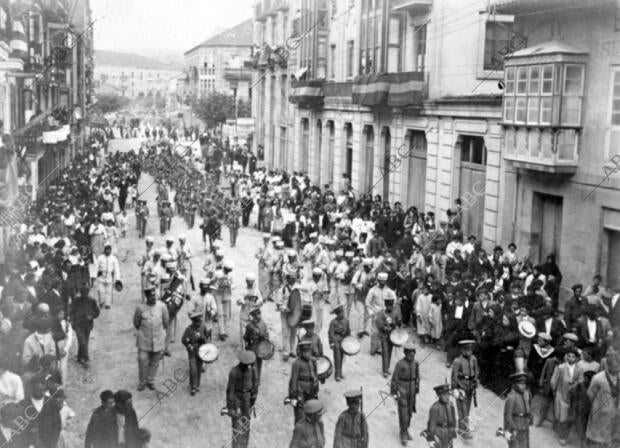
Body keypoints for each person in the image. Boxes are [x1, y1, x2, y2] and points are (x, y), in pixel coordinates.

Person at [133, 286, 169, 391]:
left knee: (155, 361)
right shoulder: (140, 308)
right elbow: (136, 323)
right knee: (142, 360)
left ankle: (150, 380)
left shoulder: (162, 306)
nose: (154, 298)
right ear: (147, 297)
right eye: (151, 296)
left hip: (158, 339)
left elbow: (166, 322)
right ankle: (142, 381)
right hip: (144, 340)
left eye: (155, 296)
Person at [225, 350, 259, 448]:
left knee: (246, 425)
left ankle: (244, 445)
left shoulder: (252, 370)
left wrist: (253, 400)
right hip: (237, 400)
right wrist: (231, 407)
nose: (248, 366)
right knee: (236, 425)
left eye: (249, 364)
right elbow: (230, 391)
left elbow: (255, 386)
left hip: (247, 400)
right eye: (246, 364)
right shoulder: (234, 372)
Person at [586, 351, 620, 447]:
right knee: (596, 437)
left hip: (615, 413)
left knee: (609, 437)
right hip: (599, 412)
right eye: (616, 366)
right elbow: (590, 394)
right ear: (608, 365)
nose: (618, 368)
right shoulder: (598, 378)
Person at [550, 347, 584, 445]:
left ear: (577, 358)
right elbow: (553, 381)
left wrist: (575, 384)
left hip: (573, 396)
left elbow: (581, 380)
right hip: (561, 393)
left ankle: (562, 431)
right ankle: (562, 436)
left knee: (568, 415)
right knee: (562, 415)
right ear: (566, 357)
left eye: (573, 357)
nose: (571, 358)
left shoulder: (579, 369)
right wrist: (554, 391)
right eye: (569, 356)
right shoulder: (560, 368)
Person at [390, 341, 420, 446]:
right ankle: (403, 433)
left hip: (412, 389)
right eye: (409, 352)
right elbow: (394, 379)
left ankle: (406, 430)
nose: (412, 354)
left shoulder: (416, 363)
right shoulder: (400, 364)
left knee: (410, 412)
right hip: (402, 388)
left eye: (413, 352)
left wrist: (417, 389)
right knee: (403, 412)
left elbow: (417, 378)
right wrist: (394, 392)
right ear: (405, 353)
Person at [450, 339, 479, 439]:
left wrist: (475, 382)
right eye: (466, 349)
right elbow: (454, 376)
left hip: (470, 387)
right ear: (462, 350)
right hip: (461, 386)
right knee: (462, 409)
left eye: (470, 349)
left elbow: (476, 372)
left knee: (467, 408)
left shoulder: (473, 359)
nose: (469, 352)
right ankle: (464, 430)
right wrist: (454, 388)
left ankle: (461, 428)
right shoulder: (457, 361)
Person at [288, 340, 319, 424]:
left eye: (308, 351)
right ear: (301, 352)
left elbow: (315, 376)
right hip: (300, 391)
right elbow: (293, 381)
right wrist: (293, 397)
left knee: (311, 413)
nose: (307, 354)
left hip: (311, 390)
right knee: (300, 415)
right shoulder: (296, 364)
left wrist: (316, 389)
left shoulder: (312, 361)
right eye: (304, 352)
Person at [70, 285, 100, 368]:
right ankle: (86, 359)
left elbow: (97, 312)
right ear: (80, 293)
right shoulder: (76, 301)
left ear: (88, 293)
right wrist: (72, 321)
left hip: (87, 325)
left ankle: (80, 357)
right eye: (83, 293)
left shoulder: (92, 301)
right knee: (82, 341)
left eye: (86, 293)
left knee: (84, 341)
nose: (84, 295)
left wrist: (92, 316)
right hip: (78, 325)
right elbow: (71, 312)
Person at [181, 311, 210, 396]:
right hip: (192, 352)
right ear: (193, 322)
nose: (198, 323)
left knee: (198, 368)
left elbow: (206, 337)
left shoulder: (203, 327)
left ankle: (197, 385)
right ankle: (193, 387)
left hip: (201, 352)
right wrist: (189, 345)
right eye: (197, 322)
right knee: (193, 368)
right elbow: (183, 339)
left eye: (199, 321)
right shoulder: (188, 329)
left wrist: (205, 340)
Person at [503, 372, 532, 448]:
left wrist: (530, 418)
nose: (523, 386)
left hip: (525, 426)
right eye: (520, 384)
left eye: (524, 384)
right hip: (515, 427)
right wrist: (508, 430)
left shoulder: (527, 394)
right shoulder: (512, 397)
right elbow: (508, 415)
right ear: (515, 384)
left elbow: (528, 407)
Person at [425, 384, 457, 448]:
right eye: (444, 395)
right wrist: (431, 438)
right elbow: (431, 424)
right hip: (438, 434)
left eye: (448, 394)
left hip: (448, 434)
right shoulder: (435, 408)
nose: (447, 397)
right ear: (439, 395)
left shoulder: (451, 406)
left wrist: (453, 432)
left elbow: (454, 420)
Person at [376, 298, 401, 378]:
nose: (390, 307)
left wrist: (399, 322)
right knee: (385, 352)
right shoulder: (381, 313)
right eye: (388, 306)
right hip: (384, 335)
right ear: (386, 306)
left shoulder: (395, 313)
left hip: (392, 336)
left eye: (391, 305)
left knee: (389, 352)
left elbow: (398, 321)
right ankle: (385, 371)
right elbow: (378, 323)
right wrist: (384, 328)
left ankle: (387, 367)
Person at [243, 307, 269, 382]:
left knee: (259, 364)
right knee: (253, 365)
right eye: (257, 314)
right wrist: (247, 346)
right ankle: (255, 380)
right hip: (253, 347)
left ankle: (257, 380)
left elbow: (267, 335)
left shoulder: (263, 323)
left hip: (260, 347)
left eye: (259, 314)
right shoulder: (249, 325)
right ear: (253, 315)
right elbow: (246, 337)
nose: (259, 315)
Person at [328, 304, 351, 382]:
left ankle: (340, 373)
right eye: (340, 313)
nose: (342, 314)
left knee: (341, 357)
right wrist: (331, 342)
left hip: (343, 341)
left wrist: (349, 340)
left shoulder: (346, 321)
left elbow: (348, 332)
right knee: (337, 357)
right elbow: (330, 333)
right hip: (336, 340)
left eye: (343, 312)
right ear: (337, 314)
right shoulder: (333, 322)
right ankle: (337, 374)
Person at [94, 243, 121, 309]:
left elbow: (116, 268)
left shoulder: (113, 258)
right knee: (100, 290)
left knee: (108, 291)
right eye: (106, 249)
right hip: (101, 276)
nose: (108, 251)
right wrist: (94, 276)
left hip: (109, 277)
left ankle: (107, 304)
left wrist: (117, 278)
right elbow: (96, 267)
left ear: (111, 250)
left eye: (109, 250)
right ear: (104, 250)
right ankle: (101, 302)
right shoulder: (100, 257)